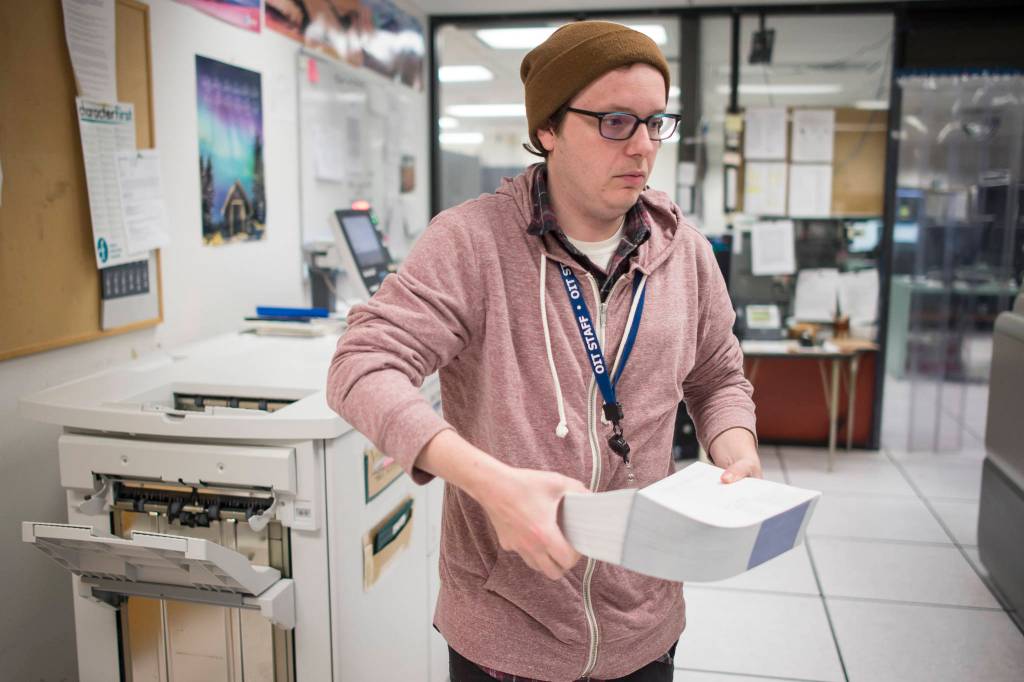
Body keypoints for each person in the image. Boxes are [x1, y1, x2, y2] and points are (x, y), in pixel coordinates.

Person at [326, 20, 760, 682]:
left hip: (643, 622)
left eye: (655, 122)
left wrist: (736, 450)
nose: (643, 147)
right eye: (616, 121)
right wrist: (491, 485)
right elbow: (360, 366)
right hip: (505, 632)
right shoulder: (472, 245)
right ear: (549, 129)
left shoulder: (688, 255)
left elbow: (718, 377)